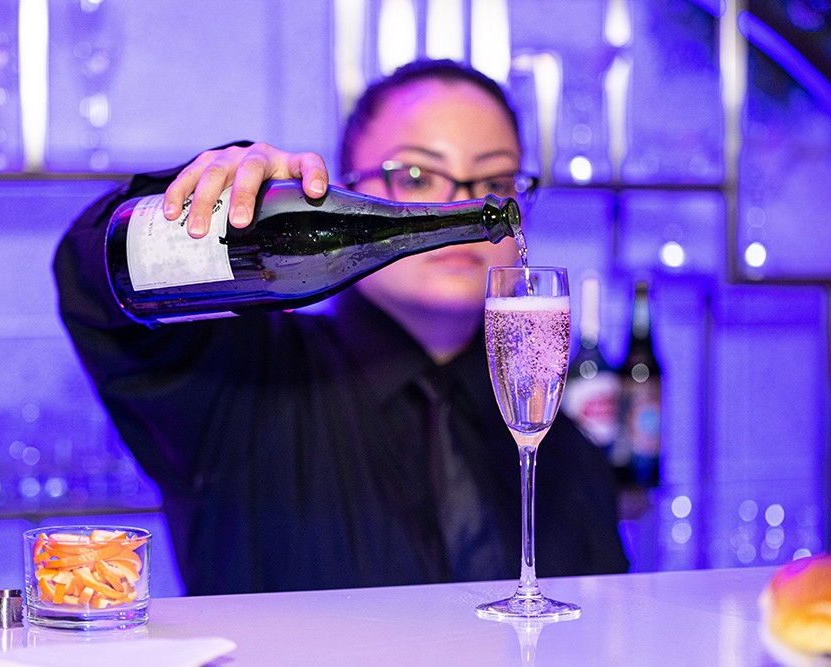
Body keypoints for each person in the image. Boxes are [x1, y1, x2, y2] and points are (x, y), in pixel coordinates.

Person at [54, 59, 628, 596]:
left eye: (495, 183)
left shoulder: (559, 445)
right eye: (418, 177)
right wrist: (191, 197)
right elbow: (90, 288)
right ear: (347, 194)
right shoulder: (240, 378)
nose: (463, 206)